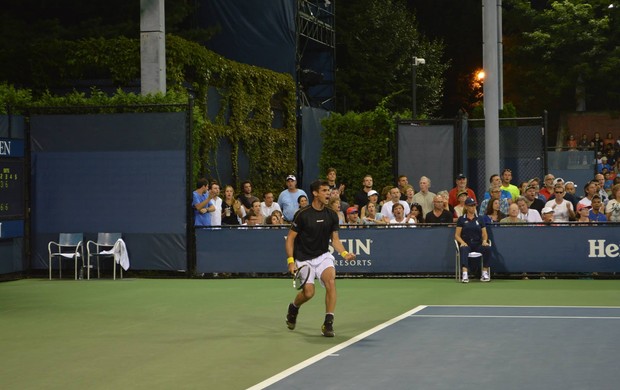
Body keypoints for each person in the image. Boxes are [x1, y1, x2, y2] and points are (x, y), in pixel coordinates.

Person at [285, 180, 356, 338]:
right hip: (304, 258)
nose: (328, 193)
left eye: (329, 190)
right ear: (315, 193)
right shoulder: (303, 214)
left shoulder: (332, 215)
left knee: (331, 281)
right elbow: (290, 239)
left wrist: (345, 254)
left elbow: (335, 240)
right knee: (309, 293)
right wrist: (291, 261)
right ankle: (294, 307)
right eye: (324, 190)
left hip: (323, 255)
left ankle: (328, 322)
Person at [455, 197, 491, 283]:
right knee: (463, 249)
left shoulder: (480, 219)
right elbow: (457, 235)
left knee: (487, 248)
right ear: (466, 207)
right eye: (471, 206)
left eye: (474, 205)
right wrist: (462, 242)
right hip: (467, 244)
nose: (473, 207)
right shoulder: (461, 219)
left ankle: (485, 272)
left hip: (478, 244)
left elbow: (484, 234)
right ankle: (465, 274)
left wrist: (485, 240)